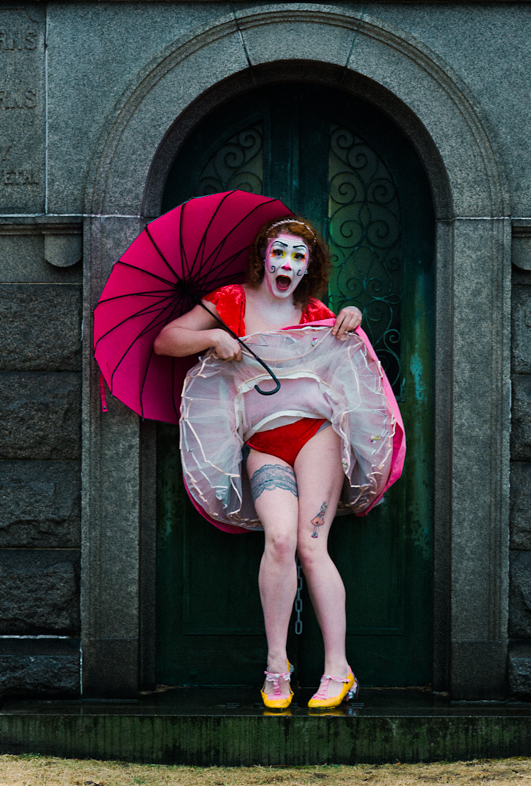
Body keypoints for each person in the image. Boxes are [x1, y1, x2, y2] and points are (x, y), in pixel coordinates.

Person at [154, 217, 394, 710]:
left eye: (298, 257)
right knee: (280, 541)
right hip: (263, 444)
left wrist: (350, 316)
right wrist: (211, 338)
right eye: (279, 253)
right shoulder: (229, 301)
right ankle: (277, 665)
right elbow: (166, 340)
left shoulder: (314, 312)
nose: (287, 264)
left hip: (315, 437)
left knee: (311, 545)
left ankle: (338, 669)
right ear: (263, 257)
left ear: (308, 267)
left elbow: (345, 353)